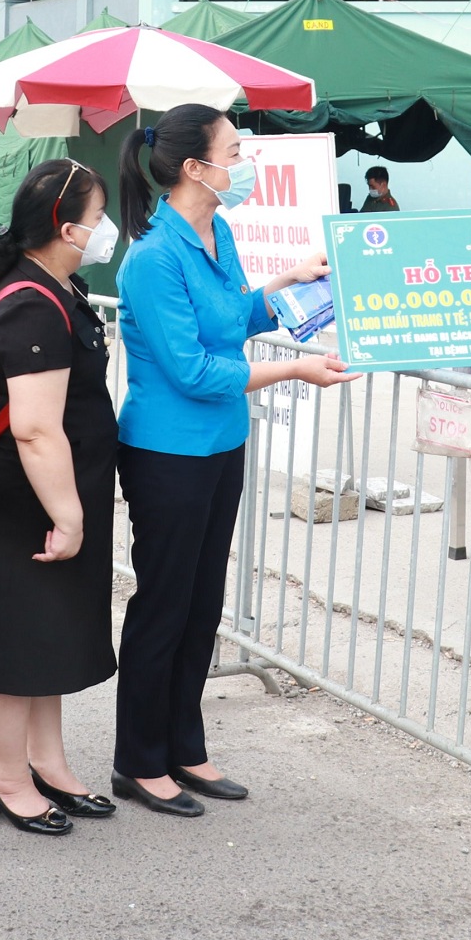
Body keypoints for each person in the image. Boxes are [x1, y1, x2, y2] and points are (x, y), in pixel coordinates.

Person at [113, 104, 357, 816]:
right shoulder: (153, 257)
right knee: (163, 604)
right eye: (234, 148)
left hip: (221, 442)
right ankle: (139, 758)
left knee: (203, 602)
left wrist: (288, 280)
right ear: (195, 166)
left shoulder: (215, 229)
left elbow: (234, 318)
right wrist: (293, 371)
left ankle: (185, 744)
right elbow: (191, 368)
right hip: (167, 449)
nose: (244, 159)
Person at [0, 159, 121, 835]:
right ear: (65, 227)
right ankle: (6, 777)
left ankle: (50, 763)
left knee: (49, 631)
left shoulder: (55, 286)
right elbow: (39, 428)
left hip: (54, 489)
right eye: (98, 220)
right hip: (24, 497)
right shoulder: (31, 303)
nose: (105, 232)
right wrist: (68, 514)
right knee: (9, 641)